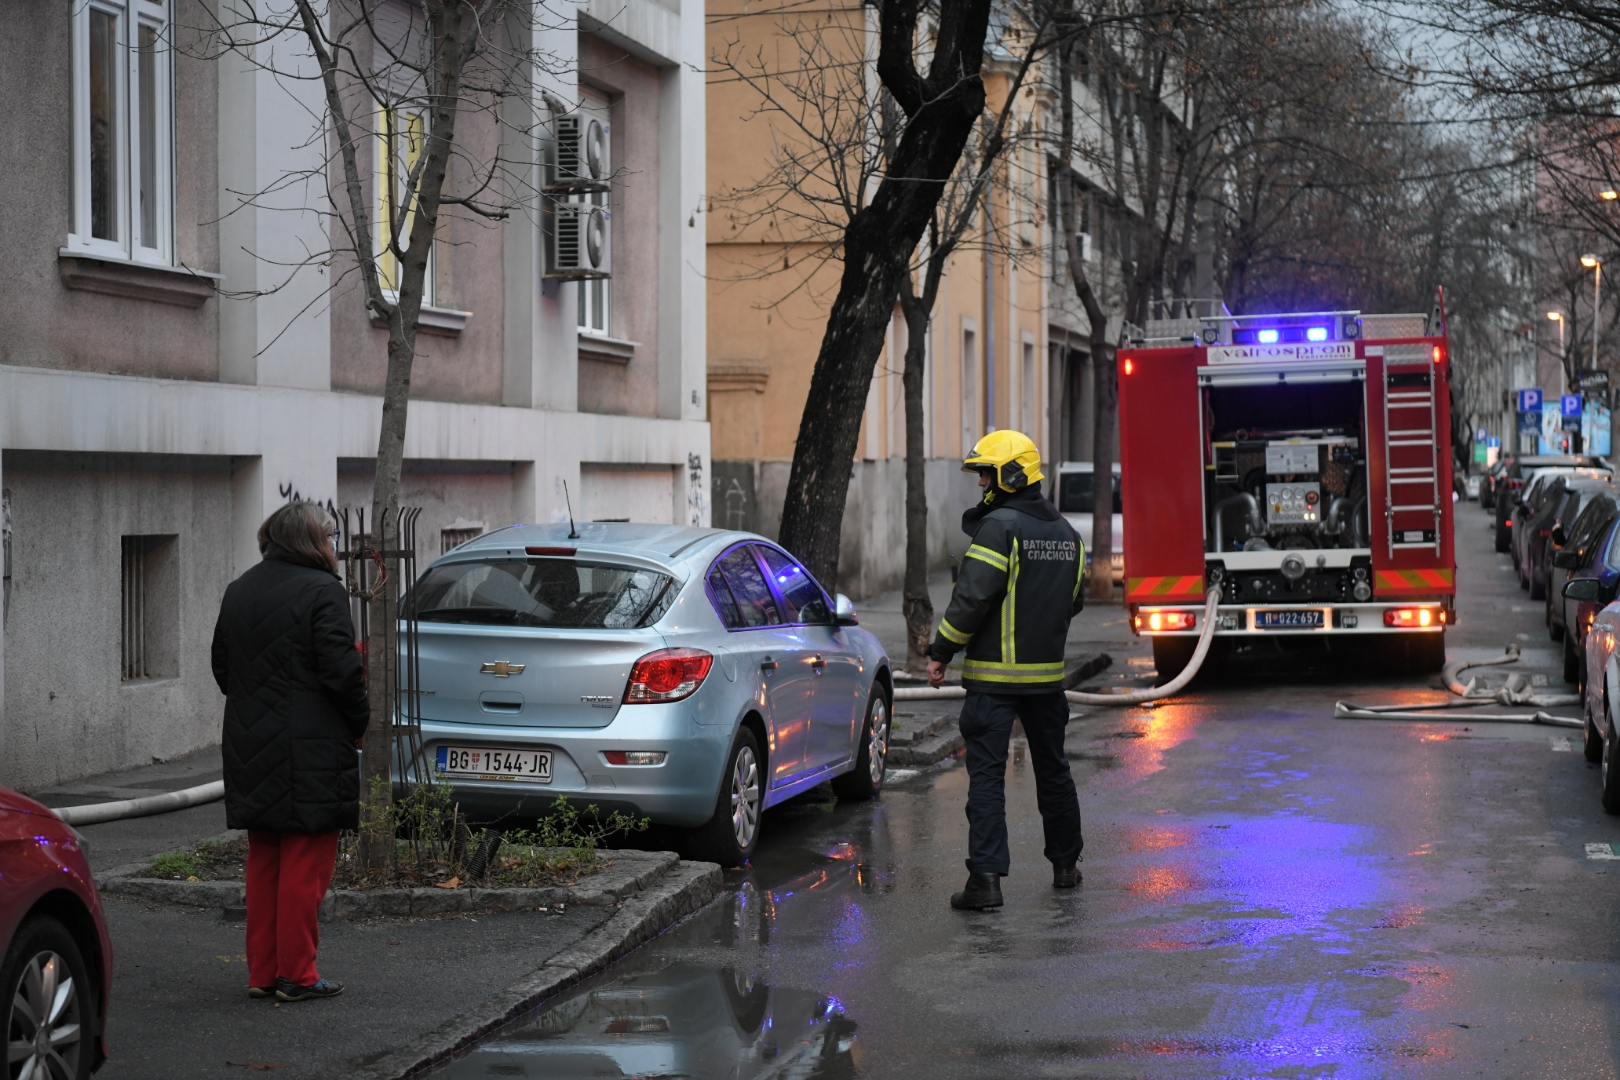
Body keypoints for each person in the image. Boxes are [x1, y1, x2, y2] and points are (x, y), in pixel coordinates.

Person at [211, 501, 369, 1001]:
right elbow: (342, 672)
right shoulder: (323, 591)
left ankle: (262, 974)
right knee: (306, 863)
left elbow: (222, 667)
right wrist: (358, 721)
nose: (334, 545)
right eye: (330, 536)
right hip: (313, 747)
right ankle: (298, 975)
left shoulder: (240, 589)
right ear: (315, 541)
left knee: (265, 859)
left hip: (251, 742)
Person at [926, 431, 1086, 911]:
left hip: (994, 683)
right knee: (1054, 772)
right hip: (1048, 682)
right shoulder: (1068, 535)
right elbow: (1073, 602)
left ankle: (986, 882)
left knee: (989, 778)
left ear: (1012, 475)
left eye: (986, 474)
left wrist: (941, 651)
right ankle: (1065, 867)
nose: (980, 484)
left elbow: (971, 599)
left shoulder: (1000, 528)